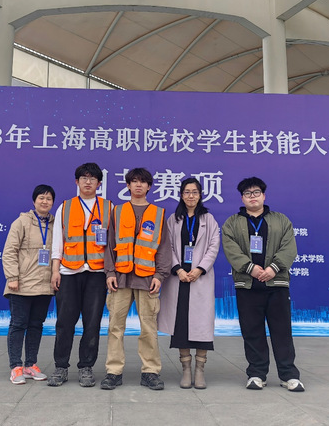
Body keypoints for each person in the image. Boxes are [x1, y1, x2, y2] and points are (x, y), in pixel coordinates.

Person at [221, 177, 304, 392]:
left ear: (264, 196)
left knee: (282, 331)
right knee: (252, 332)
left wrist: (273, 268)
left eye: (256, 192)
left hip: (277, 284)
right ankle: (257, 374)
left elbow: (289, 247)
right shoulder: (232, 223)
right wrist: (251, 268)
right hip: (247, 285)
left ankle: (289, 375)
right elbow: (230, 248)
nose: (252, 197)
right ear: (242, 198)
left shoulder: (281, 220)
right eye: (247, 194)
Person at [100, 168, 171, 391]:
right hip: (120, 279)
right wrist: (110, 273)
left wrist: (159, 275)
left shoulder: (158, 214)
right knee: (115, 327)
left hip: (148, 280)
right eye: (134, 181)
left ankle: (150, 371)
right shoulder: (117, 211)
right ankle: (113, 372)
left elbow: (164, 248)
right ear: (128, 185)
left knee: (148, 328)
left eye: (143, 182)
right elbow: (109, 244)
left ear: (149, 186)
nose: (138, 185)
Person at [47, 163, 113, 387]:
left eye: (92, 178)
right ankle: (60, 367)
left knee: (92, 323)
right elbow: (58, 241)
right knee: (64, 322)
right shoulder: (65, 207)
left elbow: (112, 243)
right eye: (84, 178)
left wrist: (110, 273)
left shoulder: (109, 208)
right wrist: (55, 270)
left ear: (99, 184)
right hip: (69, 272)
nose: (88, 182)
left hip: (97, 273)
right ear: (77, 182)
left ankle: (86, 367)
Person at [157, 177, 220, 389]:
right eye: (187, 192)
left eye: (194, 192)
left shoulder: (208, 219)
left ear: (200, 195)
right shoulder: (173, 219)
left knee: (201, 326)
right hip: (179, 278)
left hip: (199, 277)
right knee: (181, 325)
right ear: (181, 195)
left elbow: (214, 246)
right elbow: (167, 247)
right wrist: (178, 269)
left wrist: (200, 268)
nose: (190, 196)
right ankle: (185, 368)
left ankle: (199, 369)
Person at [2, 184, 56, 385]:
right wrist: (12, 277)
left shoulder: (55, 224)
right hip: (22, 284)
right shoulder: (21, 222)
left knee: (36, 325)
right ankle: (16, 366)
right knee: (18, 324)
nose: (45, 201)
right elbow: (9, 251)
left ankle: (30, 364)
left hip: (44, 285)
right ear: (34, 201)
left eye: (49, 198)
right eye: (41, 198)